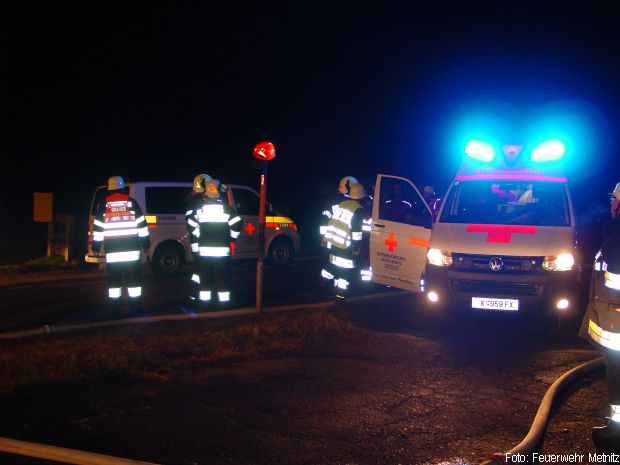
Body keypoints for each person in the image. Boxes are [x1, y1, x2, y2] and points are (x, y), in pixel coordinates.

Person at [580, 181, 620, 452]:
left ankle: (617, 429)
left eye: (614, 199)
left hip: (616, 320)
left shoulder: (617, 234)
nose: (611, 204)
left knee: (617, 372)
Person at [92, 175, 150, 315]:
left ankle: (114, 311)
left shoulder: (104, 205)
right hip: (132, 252)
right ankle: (136, 310)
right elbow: (142, 226)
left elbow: (98, 228)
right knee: (134, 283)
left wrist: (96, 246)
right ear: (123, 188)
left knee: (114, 284)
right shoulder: (131, 203)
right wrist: (145, 243)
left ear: (109, 189)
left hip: (113, 253)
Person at [185, 179, 242, 308]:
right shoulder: (226, 209)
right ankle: (224, 305)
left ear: (205, 194)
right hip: (222, 252)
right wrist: (232, 238)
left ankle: (205, 305)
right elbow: (238, 224)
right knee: (222, 277)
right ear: (217, 194)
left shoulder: (200, 210)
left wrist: (200, 235)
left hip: (205, 252)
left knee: (205, 279)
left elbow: (191, 224)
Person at [322, 182, 368, 300]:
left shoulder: (342, 204)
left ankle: (324, 289)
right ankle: (340, 298)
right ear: (361, 197)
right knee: (344, 275)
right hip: (345, 246)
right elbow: (357, 234)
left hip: (333, 242)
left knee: (331, 268)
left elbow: (332, 222)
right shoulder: (358, 210)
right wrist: (356, 249)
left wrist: (326, 240)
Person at [320, 176, 358, 292]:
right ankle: (334, 289)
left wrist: (324, 239)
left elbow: (324, 221)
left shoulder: (333, 199)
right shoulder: (348, 203)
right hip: (340, 240)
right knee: (338, 266)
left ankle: (325, 286)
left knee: (330, 264)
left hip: (330, 238)